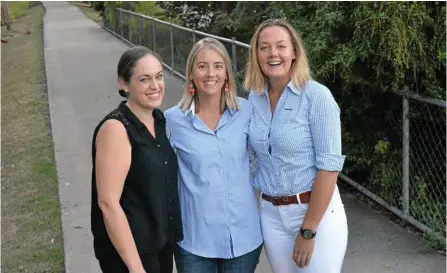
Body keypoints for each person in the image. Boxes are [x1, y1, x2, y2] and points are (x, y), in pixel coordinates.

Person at [245, 19, 348, 273]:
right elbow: (254, 156)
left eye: (281, 46)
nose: (273, 54)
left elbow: (329, 167)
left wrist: (309, 229)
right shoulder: (254, 99)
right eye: (264, 47)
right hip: (271, 214)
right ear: (256, 55)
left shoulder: (317, 97)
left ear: (294, 52)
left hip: (315, 215)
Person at [164, 37, 263, 273]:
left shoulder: (246, 110)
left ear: (227, 73)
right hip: (194, 240)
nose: (211, 73)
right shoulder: (172, 120)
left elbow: (264, 154)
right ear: (191, 74)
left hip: (243, 238)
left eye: (218, 66)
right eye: (202, 66)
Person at [90, 46, 183, 273]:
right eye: (144, 79)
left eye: (159, 76)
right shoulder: (116, 129)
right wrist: (135, 267)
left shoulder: (158, 120)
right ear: (124, 84)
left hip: (159, 244)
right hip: (132, 254)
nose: (155, 86)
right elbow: (108, 203)